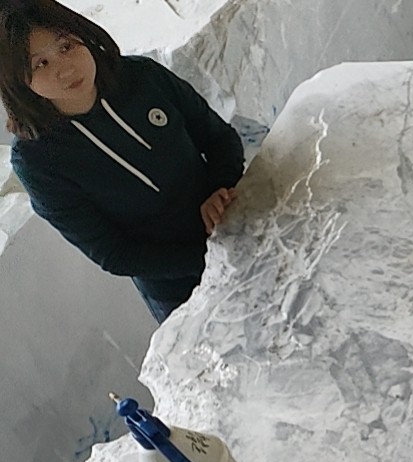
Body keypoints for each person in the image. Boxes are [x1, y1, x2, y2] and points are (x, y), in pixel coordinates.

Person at [2, 0, 243, 323]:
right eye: (41, 64)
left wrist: (220, 188)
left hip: (234, 225)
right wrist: (208, 259)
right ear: (18, 80)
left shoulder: (142, 77)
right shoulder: (37, 162)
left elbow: (220, 138)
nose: (66, 68)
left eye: (66, 46)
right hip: (179, 292)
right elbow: (114, 252)